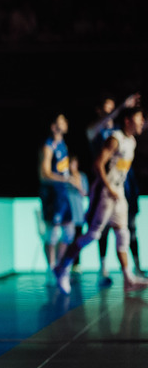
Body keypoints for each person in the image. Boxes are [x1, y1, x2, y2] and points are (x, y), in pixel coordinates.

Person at [55, 107, 148, 295]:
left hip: (118, 192)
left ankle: (128, 278)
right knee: (92, 235)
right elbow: (97, 164)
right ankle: (62, 268)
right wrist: (109, 187)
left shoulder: (132, 141)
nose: (141, 122)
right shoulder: (115, 139)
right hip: (105, 192)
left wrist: (117, 190)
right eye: (139, 119)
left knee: (123, 233)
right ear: (128, 121)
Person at [39, 114, 83, 278]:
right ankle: (50, 268)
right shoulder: (48, 146)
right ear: (53, 126)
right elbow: (45, 173)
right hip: (52, 194)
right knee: (53, 232)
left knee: (69, 231)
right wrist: (66, 179)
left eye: (65, 121)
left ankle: (60, 265)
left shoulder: (63, 145)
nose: (65, 124)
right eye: (61, 121)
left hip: (63, 194)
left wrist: (74, 181)